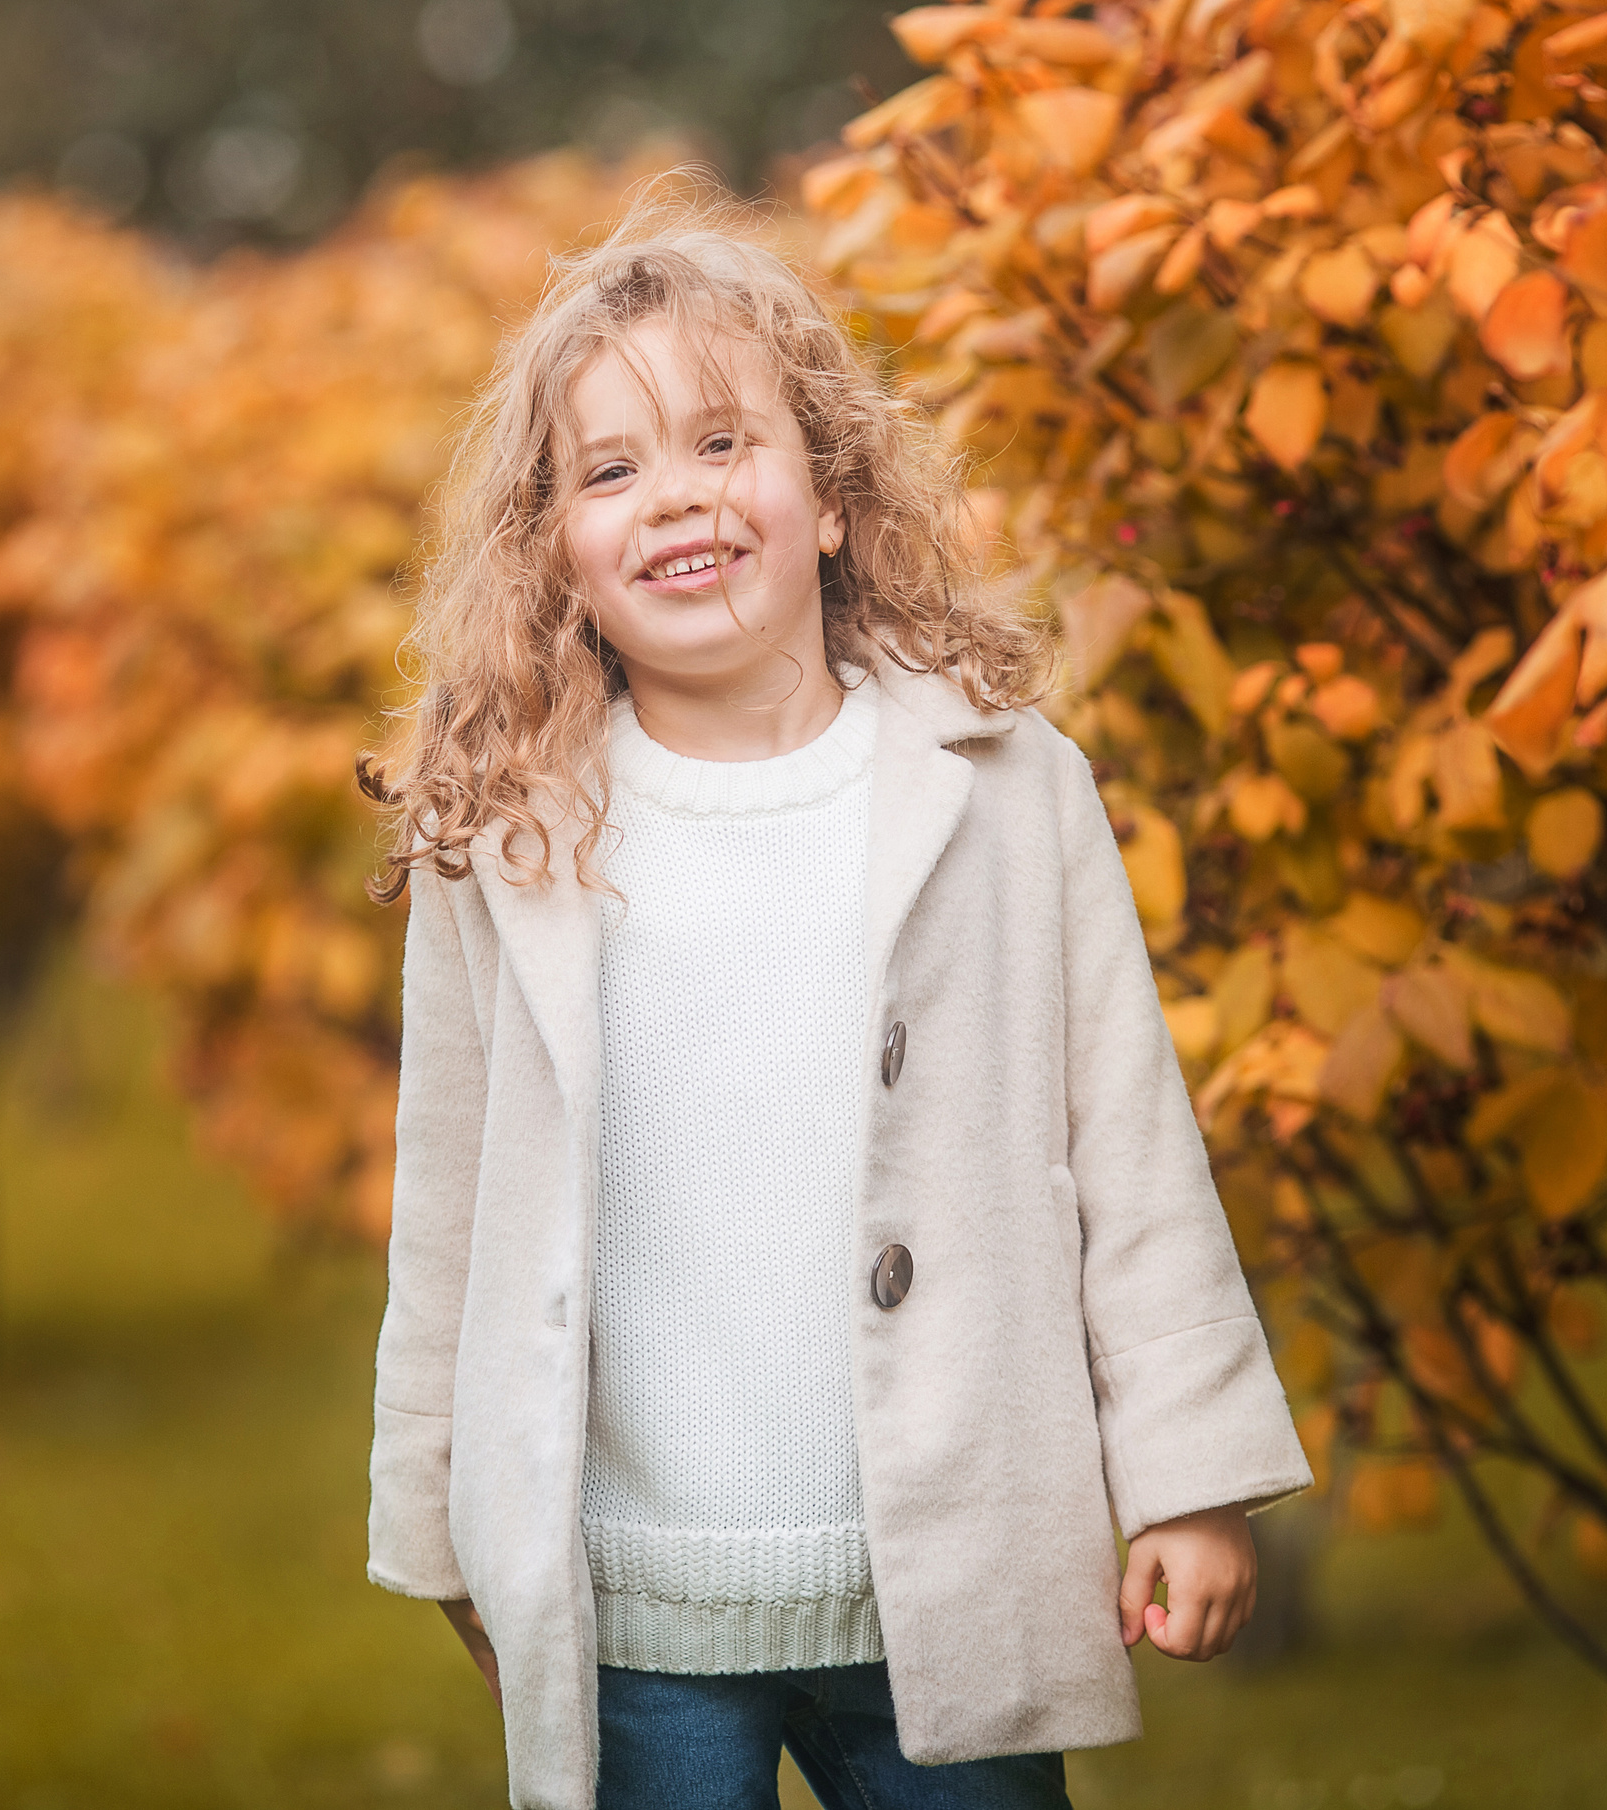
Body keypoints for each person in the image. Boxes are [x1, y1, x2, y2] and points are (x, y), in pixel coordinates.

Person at [359, 196, 1312, 1810]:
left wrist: (1195, 1477)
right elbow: (452, 1198)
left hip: (951, 1583)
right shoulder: (509, 838)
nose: (677, 498)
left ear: (835, 502)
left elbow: (1135, 1152)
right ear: (559, 560)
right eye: (611, 470)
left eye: (725, 442)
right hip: (637, 1618)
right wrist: (442, 1510)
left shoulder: (1003, 793)